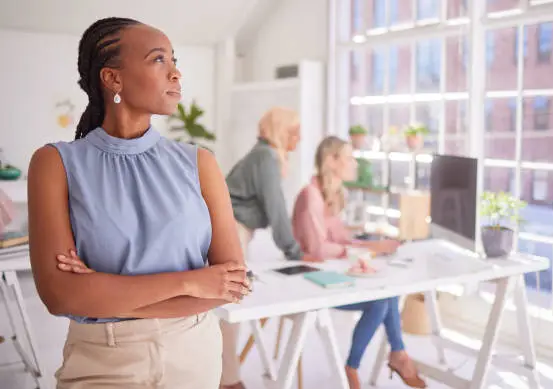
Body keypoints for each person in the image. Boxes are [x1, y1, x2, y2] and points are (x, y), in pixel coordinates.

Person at [27, 17, 250, 389]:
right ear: (113, 78)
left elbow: (231, 283)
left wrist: (101, 293)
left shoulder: (200, 164)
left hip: (194, 355)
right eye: (158, 59)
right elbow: (60, 295)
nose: (176, 73)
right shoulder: (54, 163)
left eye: (173, 60)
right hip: (102, 361)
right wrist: (193, 282)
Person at [292, 136, 427, 389]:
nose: (355, 163)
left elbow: (341, 239)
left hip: (327, 271)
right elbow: (318, 248)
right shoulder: (311, 196)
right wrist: (372, 247)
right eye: (350, 157)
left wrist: (374, 243)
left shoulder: (330, 193)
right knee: (380, 301)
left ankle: (393, 355)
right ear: (331, 161)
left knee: (387, 294)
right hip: (309, 279)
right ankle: (359, 365)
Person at [220, 107, 318, 389]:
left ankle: (225, 376)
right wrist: (296, 253)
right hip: (231, 231)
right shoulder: (265, 157)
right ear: (280, 131)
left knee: (231, 303)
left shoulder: (263, 154)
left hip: (233, 230)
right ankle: (229, 381)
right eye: (294, 133)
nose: (297, 140)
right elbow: (276, 210)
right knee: (231, 305)